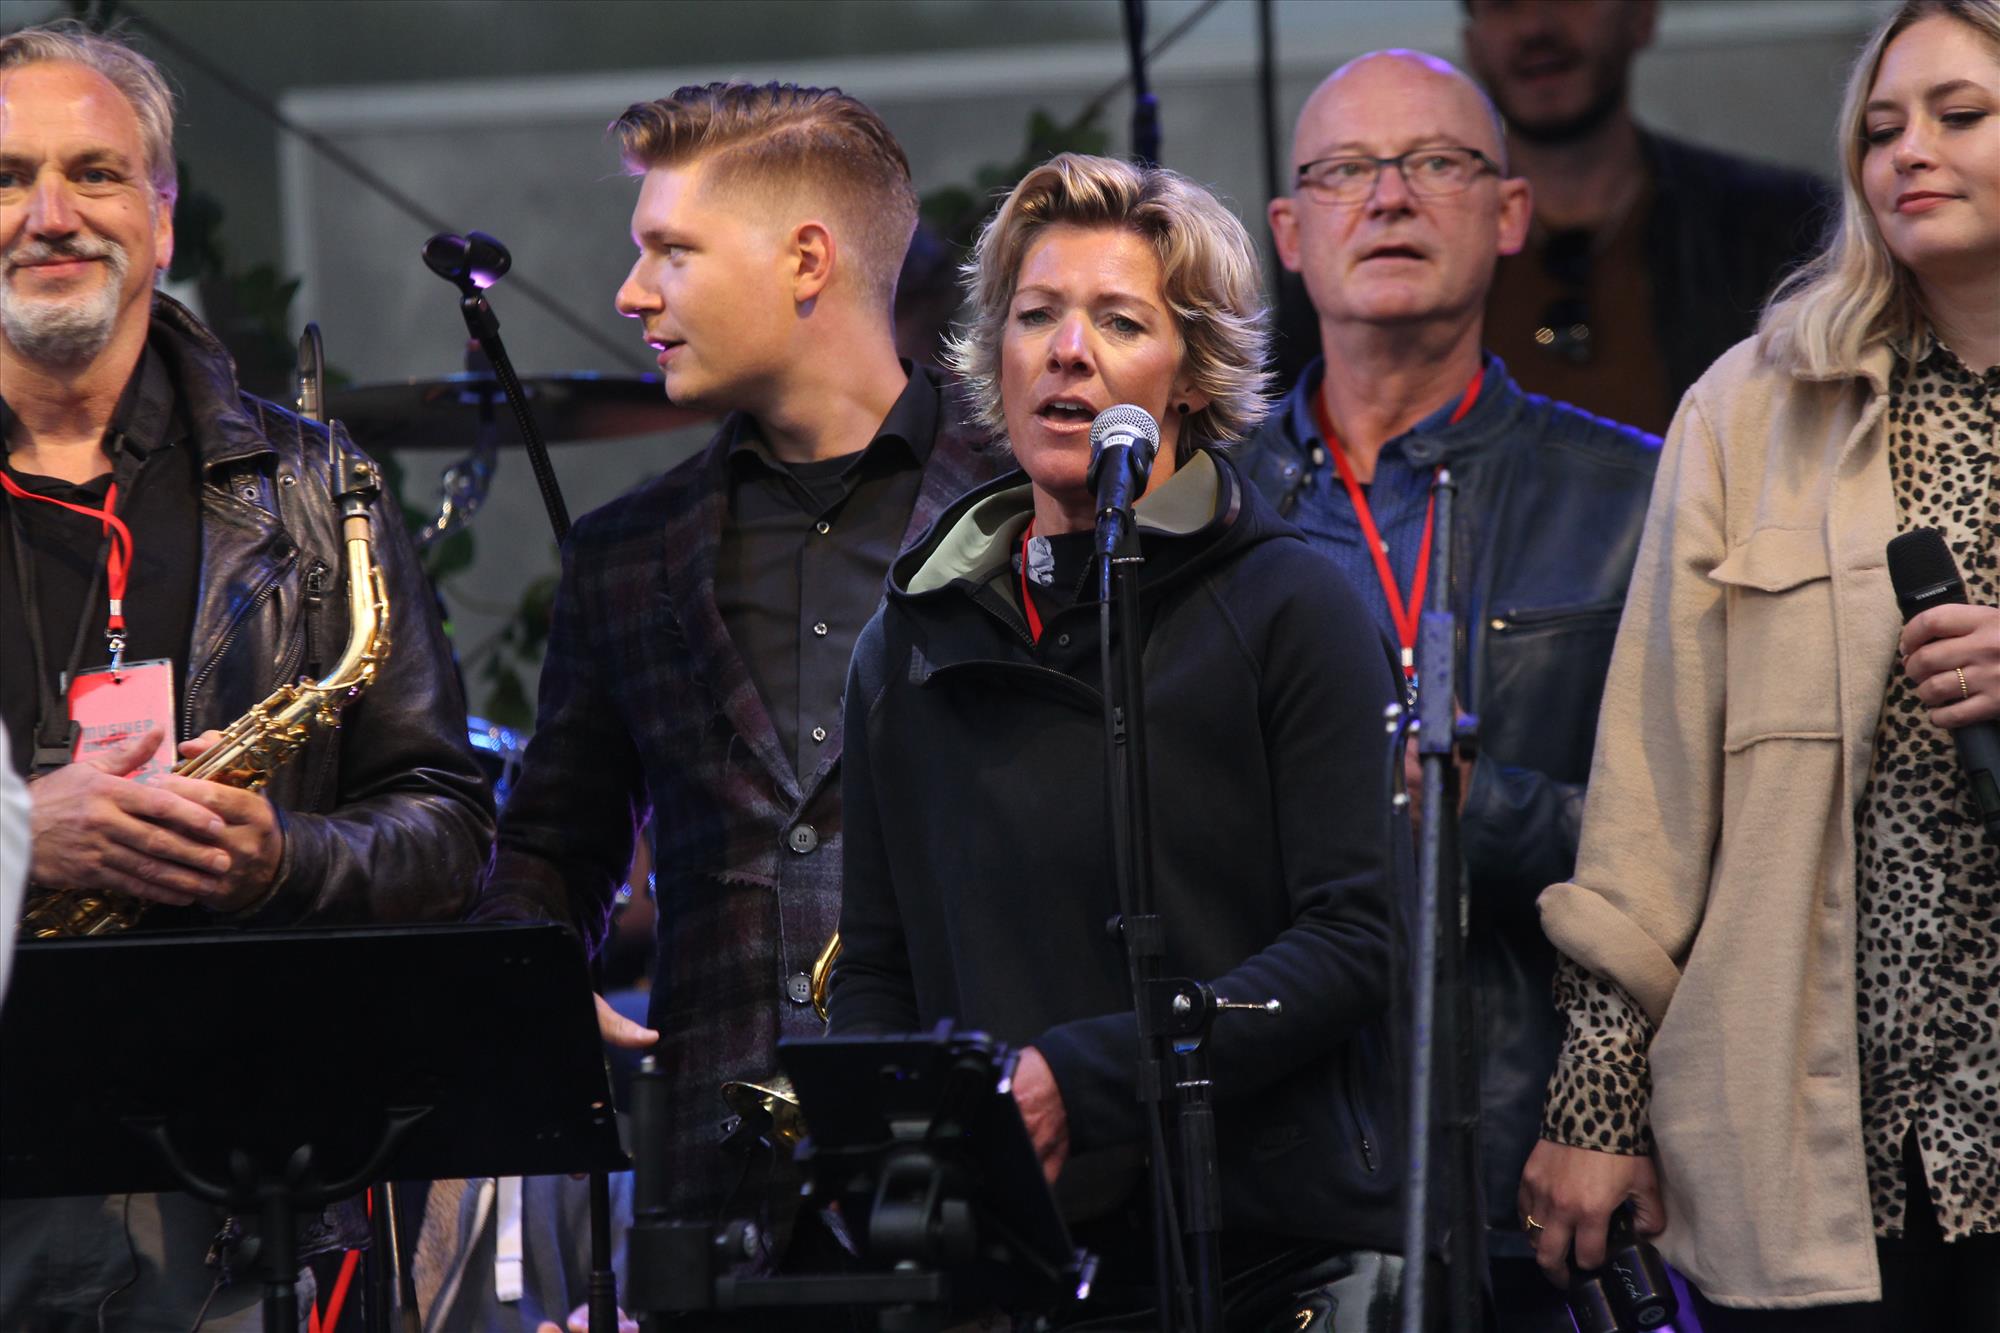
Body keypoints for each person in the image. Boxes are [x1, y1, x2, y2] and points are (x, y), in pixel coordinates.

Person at [829, 151, 1416, 1328]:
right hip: (1011, 1265)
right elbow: (879, 973)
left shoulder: (1289, 605)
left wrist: (1087, 1075)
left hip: (1265, 1254)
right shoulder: (906, 642)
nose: (1066, 351)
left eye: (1118, 320)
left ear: (1190, 375)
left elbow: (1357, 940)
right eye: (1035, 314)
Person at [474, 80, 1001, 1318]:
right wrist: (531, 971)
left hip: (987, 1172)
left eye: (671, 250)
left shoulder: (1027, 504)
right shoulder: (625, 553)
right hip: (720, 1210)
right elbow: (552, 843)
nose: (630, 292)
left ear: (807, 260)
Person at [0, 21, 493, 1330]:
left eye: (96, 173)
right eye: (5, 178)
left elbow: (448, 828)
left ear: (162, 218)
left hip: (246, 1192)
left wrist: (283, 858)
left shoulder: (319, 489)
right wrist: (16, 838)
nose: (50, 214)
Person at [1518, 2, 1999, 1327]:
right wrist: (1597, 1098)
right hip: (1822, 1149)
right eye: (1879, 129)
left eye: (1960, 115)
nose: (1908, 151)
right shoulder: (1750, 405)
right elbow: (1653, 786)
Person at [1235, 49, 1659, 1331]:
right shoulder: (1204, 512)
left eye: (1434, 162)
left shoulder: (1637, 497)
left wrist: (1467, 804)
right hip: (1276, 1190)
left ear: (1508, 211)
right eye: (1344, 171)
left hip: (1549, 1172)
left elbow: (1700, 849)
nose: (1388, 197)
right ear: (1288, 232)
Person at [1461, 0, 1834, 435]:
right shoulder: (1428, 238)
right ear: (1472, 45)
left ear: (1641, 18)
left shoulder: (1786, 225)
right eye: (1503, 4)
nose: (1535, 27)